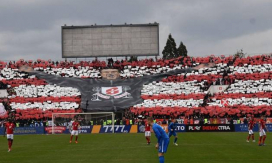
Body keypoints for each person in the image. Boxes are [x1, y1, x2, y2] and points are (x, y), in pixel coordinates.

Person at [19, 63, 215, 112]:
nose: (110, 75)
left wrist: (192, 68)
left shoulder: (133, 81)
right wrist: (34, 72)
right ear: (100, 75)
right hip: (94, 108)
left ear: (120, 74)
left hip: (129, 107)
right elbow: (56, 79)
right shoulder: (87, 83)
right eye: (106, 73)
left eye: (113, 73)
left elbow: (162, 74)